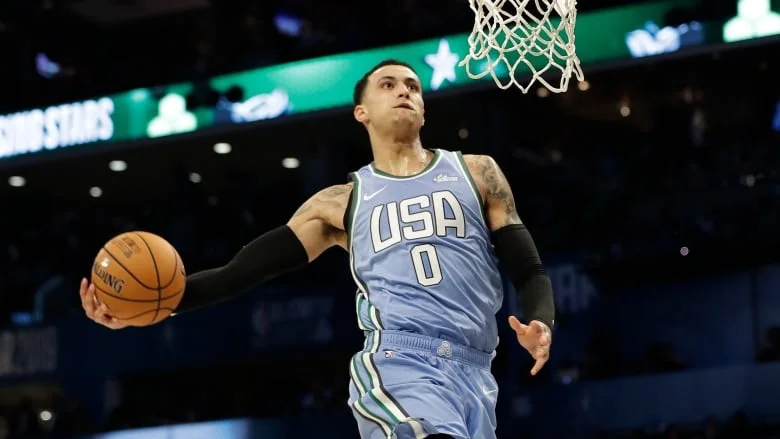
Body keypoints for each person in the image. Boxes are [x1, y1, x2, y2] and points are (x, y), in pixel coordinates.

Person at [80, 59, 555, 439]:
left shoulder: (477, 172)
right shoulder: (339, 203)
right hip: (399, 363)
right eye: (388, 85)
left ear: (425, 109)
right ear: (361, 112)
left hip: (476, 373)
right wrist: (153, 306)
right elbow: (241, 271)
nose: (405, 90)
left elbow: (528, 268)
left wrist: (540, 319)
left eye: (412, 85)